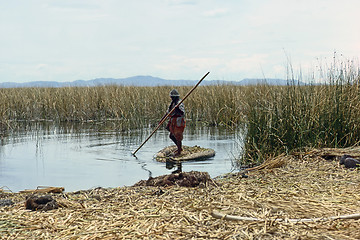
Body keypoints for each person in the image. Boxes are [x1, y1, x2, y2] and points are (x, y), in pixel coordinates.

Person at [165, 89, 186, 156]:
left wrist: (177, 109)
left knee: (178, 136)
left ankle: (179, 151)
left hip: (178, 121)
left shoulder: (179, 103)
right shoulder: (172, 103)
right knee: (171, 135)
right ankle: (179, 148)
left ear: (175, 97)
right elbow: (168, 113)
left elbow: (182, 112)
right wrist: (161, 120)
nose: (171, 98)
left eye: (172, 97)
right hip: (173, 121)